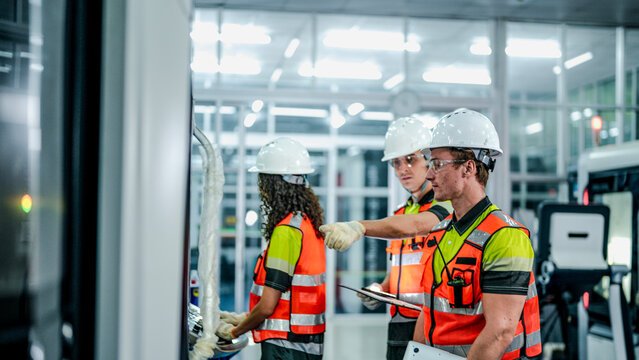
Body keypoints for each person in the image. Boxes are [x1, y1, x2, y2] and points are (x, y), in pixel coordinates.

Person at [217, 137, 326, 360]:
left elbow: (268, 305)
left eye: (263, 181)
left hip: (284, 347)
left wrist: (234, 332)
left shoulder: (286, 231)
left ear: (273, 185)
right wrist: (245, 317)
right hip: (306, 344)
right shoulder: (308, 225)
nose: (261, 190)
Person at [353, 116, 452, 360]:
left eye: (411, 159)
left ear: (429, 160)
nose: (403, 169)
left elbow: (414, 226)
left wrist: (359, 227)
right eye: (396, 163)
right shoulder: (401, 212)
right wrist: (380, 288)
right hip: (399, 322)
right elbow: (399, 269)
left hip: (432, 325)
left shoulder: (446, 206)